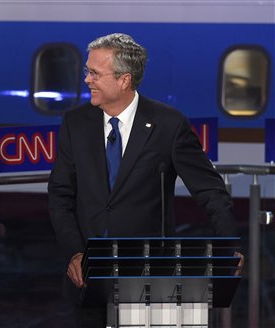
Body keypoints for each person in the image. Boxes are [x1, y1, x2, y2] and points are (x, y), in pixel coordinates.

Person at [48, 33, 242, 326]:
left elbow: (211, 191)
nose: (87, 80)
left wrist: (227, 248)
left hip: (150, 278)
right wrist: (75, 252)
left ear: (124, 80)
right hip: (88, 278)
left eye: (94, 73)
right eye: (87, 71)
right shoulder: (75, 123)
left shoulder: (168, 124)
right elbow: (60, 195)